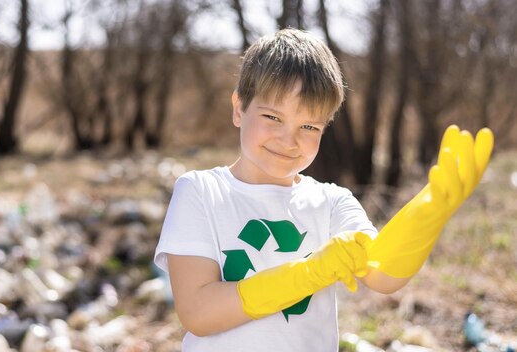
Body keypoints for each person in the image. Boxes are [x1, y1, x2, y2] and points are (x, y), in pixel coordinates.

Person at [153, 28, 494, 351]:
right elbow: (198, 312)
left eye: (308, 126)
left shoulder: (332, 202)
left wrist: (429, 211)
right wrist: (310, 273)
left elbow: (383, 274)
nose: (289, 140)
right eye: (272, 117)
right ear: (239, 108)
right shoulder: (200, 191)